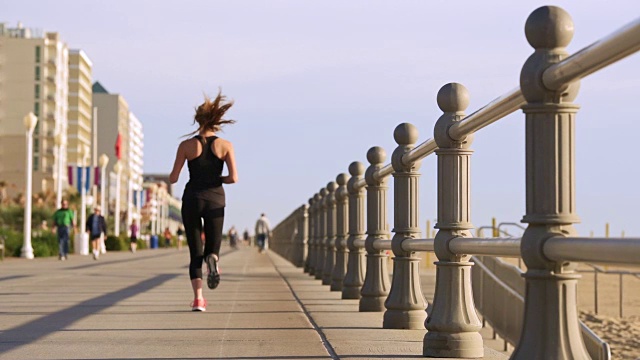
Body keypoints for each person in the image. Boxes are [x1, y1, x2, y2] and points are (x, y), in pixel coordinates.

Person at [170, 90, 238, 312]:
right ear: (216, 120)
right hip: (216, 199)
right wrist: (218, 179)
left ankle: (198, 299)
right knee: (212, 246)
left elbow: (173, 178)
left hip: (192, 199)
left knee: (194, 250)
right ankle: (214, 258)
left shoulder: (187, 146)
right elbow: (233, 178)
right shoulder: (225, 145)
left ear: (197, 120)